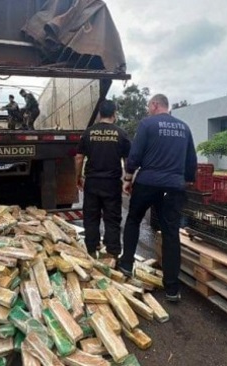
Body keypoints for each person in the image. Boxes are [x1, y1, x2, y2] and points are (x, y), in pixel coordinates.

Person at [118, 94, 197, 302]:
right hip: (173, 186)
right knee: (171, 232)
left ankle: (126, 264)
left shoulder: (147, 125)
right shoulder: (184, 128)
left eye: (148, 106)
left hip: (148, 182)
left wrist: (128, 178)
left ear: (155, 105)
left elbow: (135, 155)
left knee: (134, 219)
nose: (147, 110)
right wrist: (186, 180)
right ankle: (172, 288)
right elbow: (191, 160)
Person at [75, 100, 131, 259]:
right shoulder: (121, 133)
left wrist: (78, 177)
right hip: (112, 183)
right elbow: (128, 160)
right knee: (112, 218)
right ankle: (113, 253)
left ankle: (92, 250)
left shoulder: (88, 133)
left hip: (92, 182)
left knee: (91, 217)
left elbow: (79, 158)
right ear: (114, 114)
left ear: (99, 114)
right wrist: (128, 179)